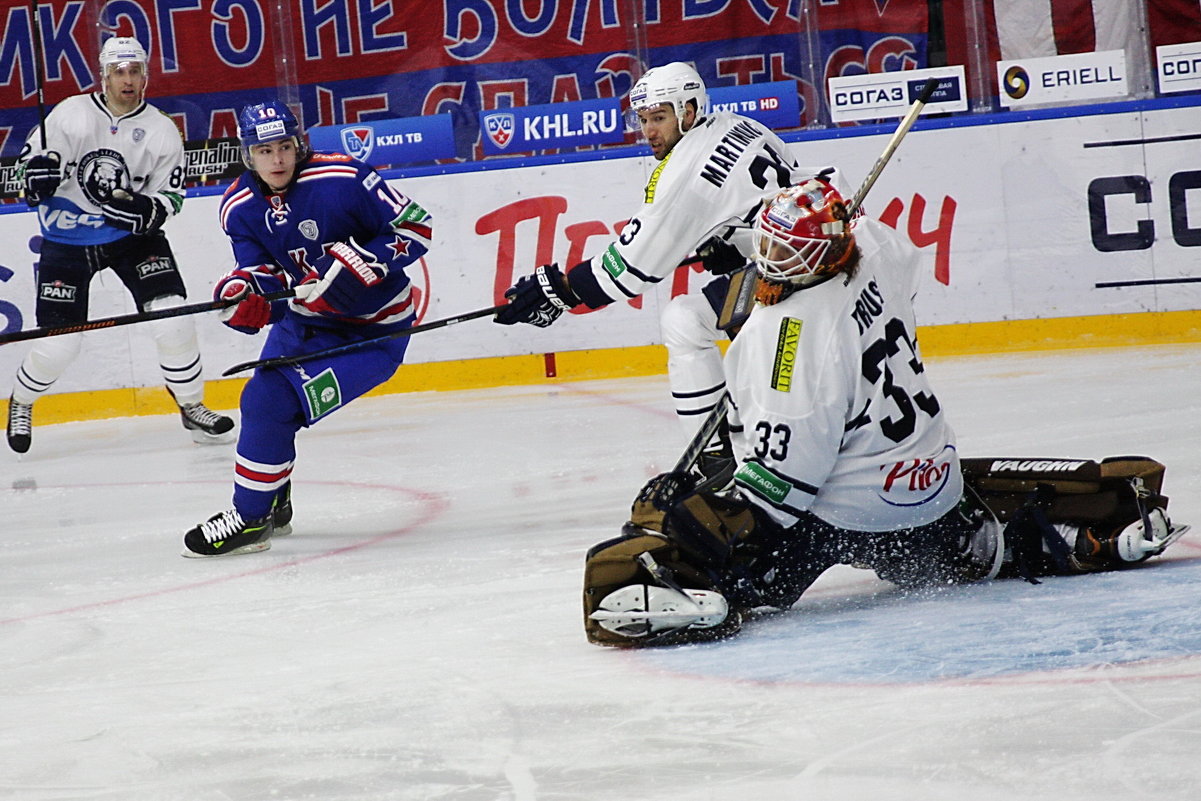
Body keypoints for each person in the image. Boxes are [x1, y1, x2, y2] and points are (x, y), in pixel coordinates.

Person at [582, 179, 1188, 647]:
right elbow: (872, 240)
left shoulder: (788, 343)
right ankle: (1083, 540)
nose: (767, 263)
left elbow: (781, 492)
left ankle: (713, 595)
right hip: (934, 484)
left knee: (744, 558)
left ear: (817, 260)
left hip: (854, 514)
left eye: (784, 254)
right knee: (971, 550)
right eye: (765, 245)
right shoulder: (874, 249)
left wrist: (696, 512)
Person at [494, 61, 840, 456]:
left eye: (659, 117)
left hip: (796, 279)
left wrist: (560, 289)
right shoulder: (737, 123)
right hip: (829, 248)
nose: (649, 131)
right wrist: (735, 241)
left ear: (689, 112)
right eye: (643, 119)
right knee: (729, 318)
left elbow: (627, 270)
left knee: (683, 321)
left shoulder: (682, 173)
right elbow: (768, 198)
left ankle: (713, 457)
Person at [181, 100, 433, 557]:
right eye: (264, 150)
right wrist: (246, 294)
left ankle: (251, 517)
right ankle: (269, 499)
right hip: (304, 325)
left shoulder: (345, 178)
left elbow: (417, 226)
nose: (277, 160)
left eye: (284, 147)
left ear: (299, 145)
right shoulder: (238, 207)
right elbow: (266, 275)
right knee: (266, 406)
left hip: (370, 335)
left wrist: (363, 263)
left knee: (267, 400)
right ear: (247, 154)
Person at [6, 36, 233, 454]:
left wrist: (151, 210)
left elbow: (171, 196)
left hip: (132, 240)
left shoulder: (162, 130)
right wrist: (35, 178)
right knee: (60, 343)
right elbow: (29, 168)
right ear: (104, 75)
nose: (127, 80)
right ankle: (21, 401)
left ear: (145, 75)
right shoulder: (70, 114)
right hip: (65, 240)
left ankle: (191, 404)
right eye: (119, 72)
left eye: (134, 72)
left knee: (172, 318)